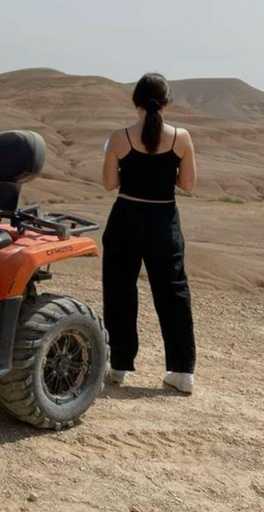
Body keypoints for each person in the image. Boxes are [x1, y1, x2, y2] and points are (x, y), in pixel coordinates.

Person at [101, 72, 197, 394]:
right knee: (173, 294)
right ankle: (182, 372)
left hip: (126, 217)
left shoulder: (119, 137)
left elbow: (109, 184)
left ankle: (118, 366)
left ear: (135, 101)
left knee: (119, 292)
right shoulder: (181, 138)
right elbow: (187, 185)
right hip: (163, 221)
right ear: (166, 102)